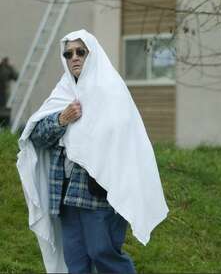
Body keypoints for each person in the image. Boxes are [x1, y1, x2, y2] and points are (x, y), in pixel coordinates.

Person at [16, 30, 169, 273]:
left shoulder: (111, 91)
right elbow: (36, 137)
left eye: (81, 52)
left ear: (92, 54)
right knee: (75, 262)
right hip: (66, 194)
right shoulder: (63, 93)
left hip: (100, 193)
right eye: (68, 54)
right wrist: (62, 119)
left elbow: (125, 145)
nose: (74, 57)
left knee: (104, 254)